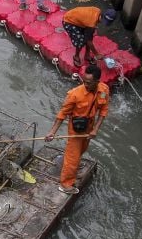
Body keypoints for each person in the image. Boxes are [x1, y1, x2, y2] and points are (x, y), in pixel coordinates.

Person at [45, 65, 109, 194]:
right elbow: (62, 114)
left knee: (82, 149)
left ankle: (70, 167)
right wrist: (52, 132)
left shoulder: (103, 90)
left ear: (97, 81)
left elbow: (103, 110)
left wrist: (95, 129)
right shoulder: (75, 94)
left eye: (89, 82)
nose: (85, 84)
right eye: (84, 81)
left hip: (89, 127)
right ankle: (65, 184)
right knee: (72, 156)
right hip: (76, 129)